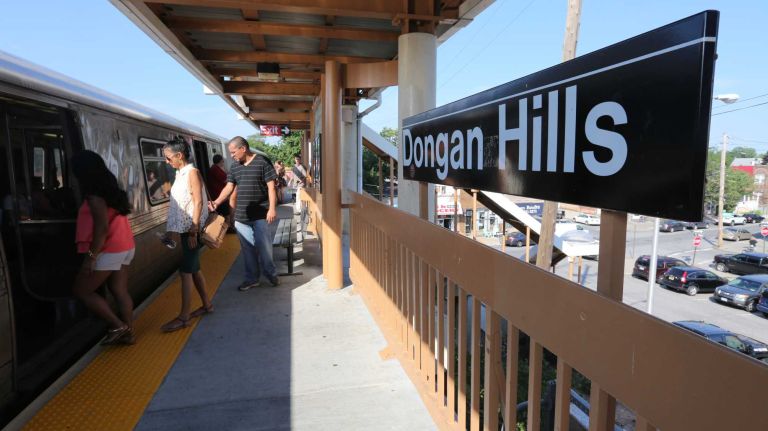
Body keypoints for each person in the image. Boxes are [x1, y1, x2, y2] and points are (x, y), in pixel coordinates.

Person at [71, 150, 136, 345]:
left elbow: (101, 229)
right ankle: (129, 335)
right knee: (119, 291)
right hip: (125, 246)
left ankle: (118, 326)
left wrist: (90, 258)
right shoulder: (110, 189)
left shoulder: (94, 197)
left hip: (108, 250)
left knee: (81, 291)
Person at [208, 136, 279, 291]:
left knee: (264, 247)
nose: (231, 155)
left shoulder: (262, 162)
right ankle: (252, 279)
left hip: (261, 214)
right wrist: (217, 202)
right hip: (242, 217)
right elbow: (228, 188)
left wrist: (272, 208)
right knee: (247, 250)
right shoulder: (234, 167)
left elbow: (271, 187)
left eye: (233, 152)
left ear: (243, 148)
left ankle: (271, 273)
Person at [160, 138, 214, 332]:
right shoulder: (180, 173)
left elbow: (198, 202)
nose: (167, 161)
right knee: (194, 269)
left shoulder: (191, 172)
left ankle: (183, 317)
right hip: (186, 231)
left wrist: (193, 230)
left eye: (168, 158)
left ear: (179, 156)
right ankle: (207, 305)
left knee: (185, 272)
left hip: (192, 231)